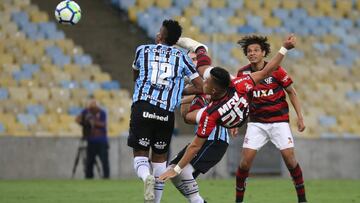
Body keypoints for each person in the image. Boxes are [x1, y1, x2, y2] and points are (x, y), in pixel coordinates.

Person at [159, 35, 296, 200]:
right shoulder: (242, 82)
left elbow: (195, 146)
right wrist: (284, 49)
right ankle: (199, 50)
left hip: (220, 130)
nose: (205, 84)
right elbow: (267, 70)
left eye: (207, 84)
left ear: (214, 91)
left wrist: (177, 169)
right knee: (204, 72)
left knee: (190, 113)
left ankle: (195, 58)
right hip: (234, 94)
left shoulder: (212, 114)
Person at [128, 19, 203, 203]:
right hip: (165, 113)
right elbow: (200, 86)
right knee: (160, 160)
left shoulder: (142, 50)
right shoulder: (182, 56)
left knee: (140, 155)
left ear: (161, 36)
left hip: (143, 107)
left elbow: (135, 76)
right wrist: (178, 90)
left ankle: (146, 178)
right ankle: (156, 200)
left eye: (159, 31)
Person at [235, 35, 307, 203]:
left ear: (264, 53)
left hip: (279, 122)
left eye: (256, 50)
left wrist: (300, 117)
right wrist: (237, 122)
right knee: (245, 163)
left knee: (290, 161)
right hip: (256, 123)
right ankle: (238, 201)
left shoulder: (277, 70)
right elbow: (240, 99)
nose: (252, 53)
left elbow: (292, 92)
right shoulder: (242, 73)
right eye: (249, 51)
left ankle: (302, 200)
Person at [168, 51, 230, 203]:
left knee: (183, 172)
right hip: (201, 139)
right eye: (190, 59)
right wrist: (186, 97)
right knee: (173, 170)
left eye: (196, 59)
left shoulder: (213, 81)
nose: (193, 62)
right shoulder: (194, 85)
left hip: (215, 140)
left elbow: (221, 96)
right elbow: (187, 117)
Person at [76, 99, 109, 179]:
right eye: (91, 107)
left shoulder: (102, 113)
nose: (92, 109)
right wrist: (84, 120)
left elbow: (103, 124)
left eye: (94, 107)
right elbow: (78, 120)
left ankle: (106, 177)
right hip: (91, 140)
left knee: (104, 160)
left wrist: (93, 121)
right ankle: (89, 177)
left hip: (101, 141)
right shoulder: (86, 112)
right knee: (89, 161)